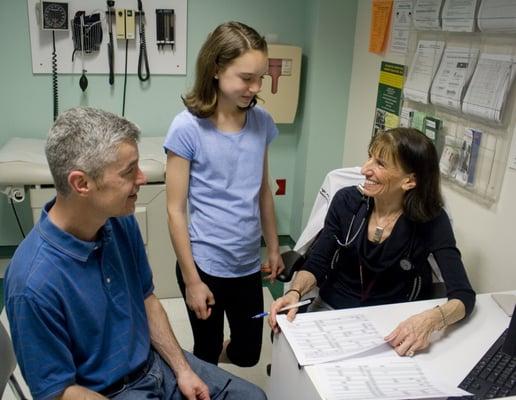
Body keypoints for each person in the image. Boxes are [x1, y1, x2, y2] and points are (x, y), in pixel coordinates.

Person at [4, 107, 267, 400]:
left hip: (156, 364)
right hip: (107, 393)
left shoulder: (117, 220)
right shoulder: (32, 284)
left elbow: (146, 299)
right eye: (129, 171)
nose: (142, 178)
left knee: (253, 397)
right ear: (81, 183)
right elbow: (60, 392)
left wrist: (182, 369)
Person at [268, 127, 476, 358]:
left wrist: (429, 320)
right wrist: (295, 292)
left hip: (391, 322)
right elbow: (318, 262)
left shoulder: (431, 220)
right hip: (332, 310)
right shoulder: (347, 202)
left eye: (380, 164)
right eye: (369, 157)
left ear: (409, 181)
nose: (365, 169)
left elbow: (463, 296)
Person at [164, 21, 284, 367]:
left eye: (260, 77)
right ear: (216, 68)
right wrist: (191, 281)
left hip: (246, 264)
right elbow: (175, 210)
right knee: (205, 354)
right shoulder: (187, 127)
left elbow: (262, 190)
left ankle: (210, 366)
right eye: (247, 78)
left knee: (248, 355)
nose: (256, 87)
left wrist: (274, 246)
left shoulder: (261, 121)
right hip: (204, 265)